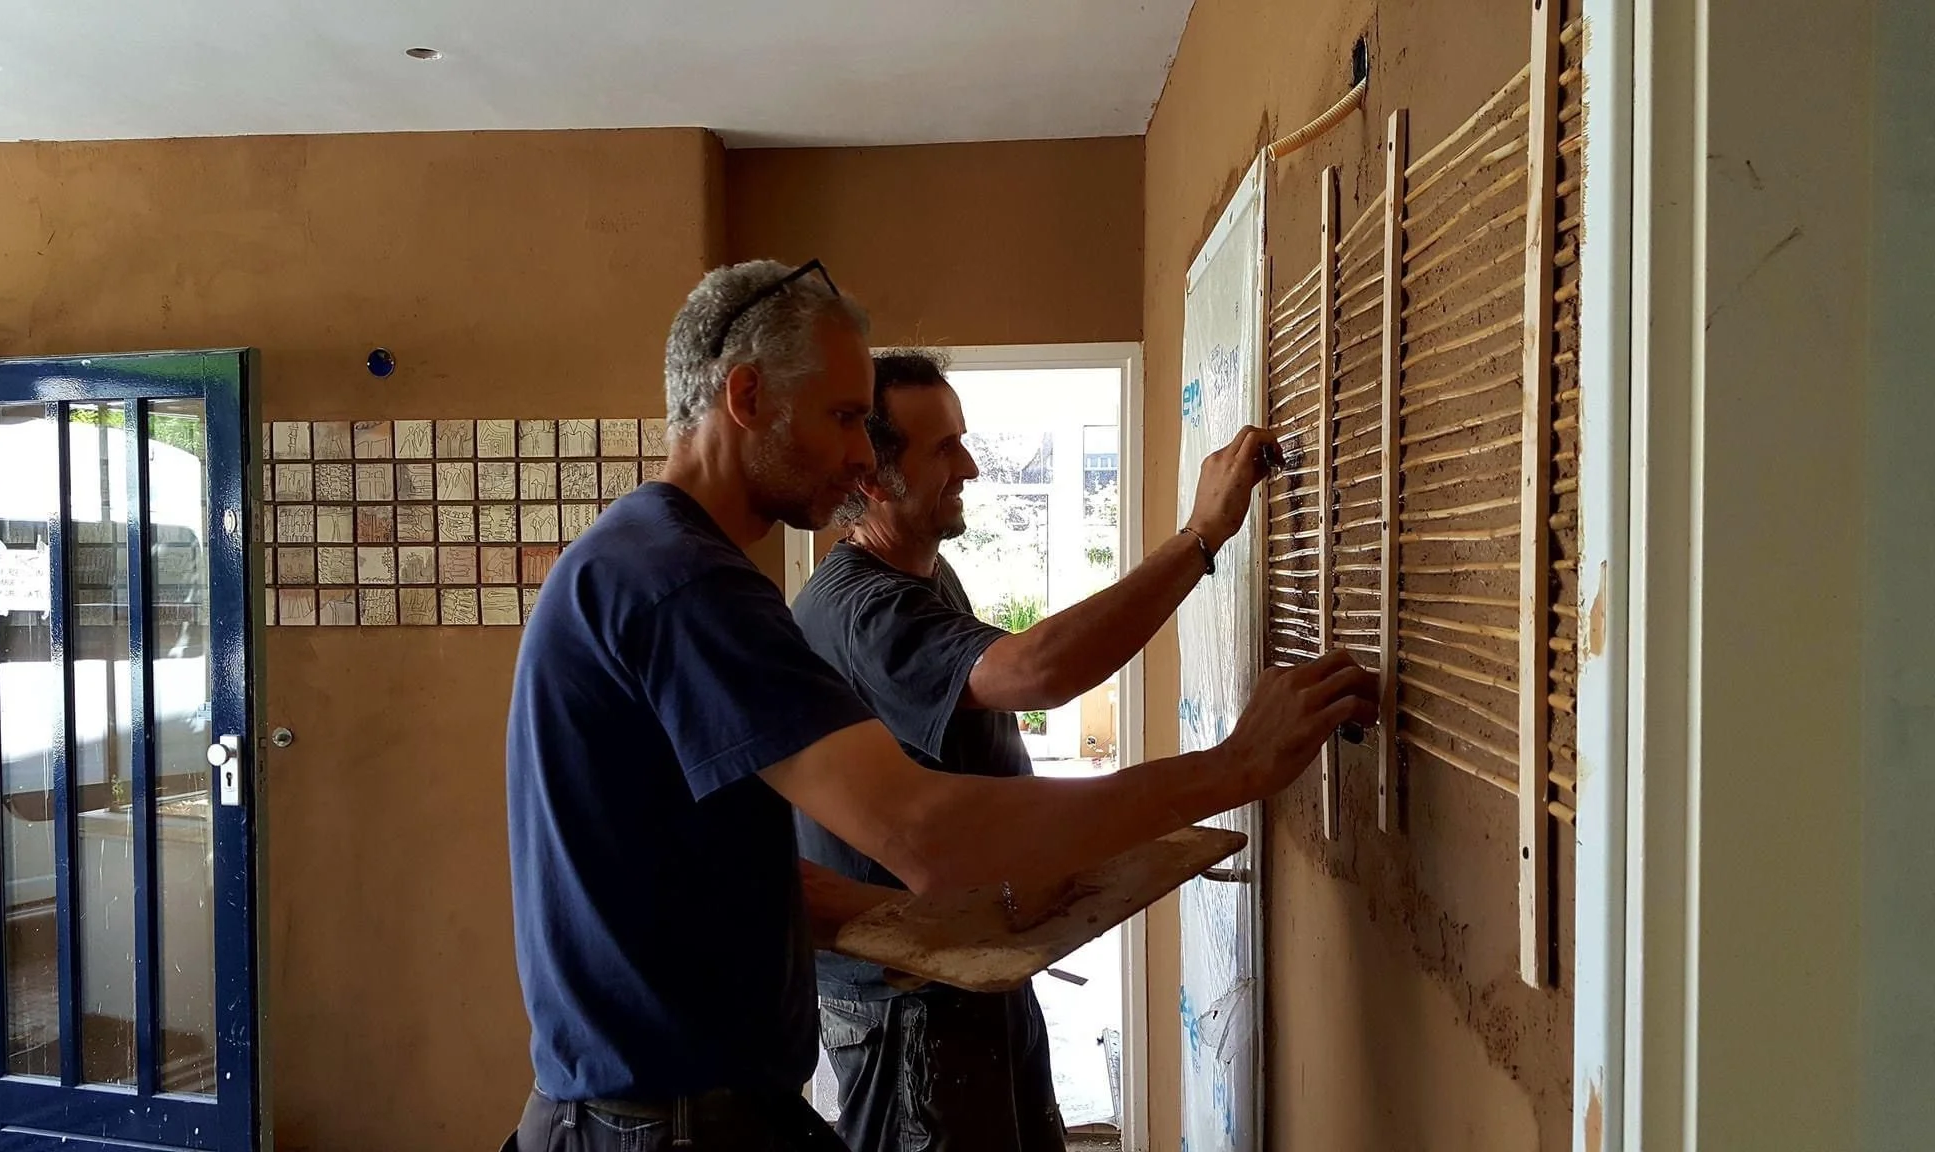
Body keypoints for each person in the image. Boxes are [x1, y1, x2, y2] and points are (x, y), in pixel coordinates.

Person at [503, 259, 1379, 1152]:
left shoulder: (651, 563)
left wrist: (932, 929)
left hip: (674, 1113)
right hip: (664, 1125)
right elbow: (930, 835)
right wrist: (1233, 768)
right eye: (846, 418)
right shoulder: (684, 585)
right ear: (747, 396)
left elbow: (713, 871)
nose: (859, 456)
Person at [790, 349, 1279, 1152]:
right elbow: (1037, 671)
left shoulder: (920, 572)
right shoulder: (866, 615)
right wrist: (1200, 536)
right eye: (942, 448)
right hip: (914, 1007)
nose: (972, 467)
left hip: (971, 968)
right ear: (873, 481)